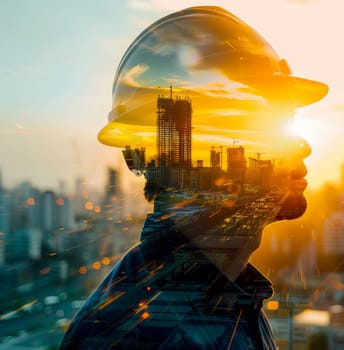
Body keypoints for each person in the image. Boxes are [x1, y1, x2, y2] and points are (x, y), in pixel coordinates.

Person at [60, 6, 327, 349]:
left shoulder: (221, 295)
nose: (302, 147)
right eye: (272, 128)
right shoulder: (148, 332)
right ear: (210, 157)